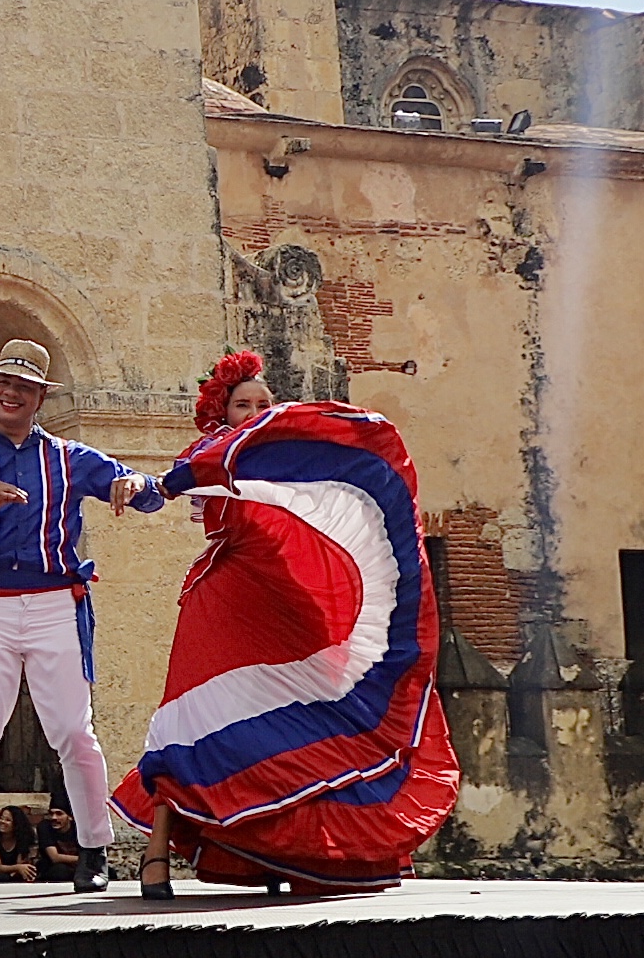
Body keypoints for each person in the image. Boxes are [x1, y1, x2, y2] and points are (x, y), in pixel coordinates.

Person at [118, 350, 462, 900]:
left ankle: (286, 853)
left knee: (306, 725)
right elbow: (168, 491)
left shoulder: (288, 455)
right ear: (222, 412)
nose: (255, 412)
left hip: (289, 604)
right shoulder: (210, 455)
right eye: (243, 405)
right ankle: (155, 854)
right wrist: (142, 486)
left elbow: (343, 467)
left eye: (264, 403)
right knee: (186, 721)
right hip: (228, 602)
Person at [0, 339, 165, 898]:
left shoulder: (68, 457)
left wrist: (134, 485)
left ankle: (95, 850)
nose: (11, 393)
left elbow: (146, 492)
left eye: (24, 387)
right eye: (4, 383)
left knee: (74, 731)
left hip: (55, 601)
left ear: (39, 398)